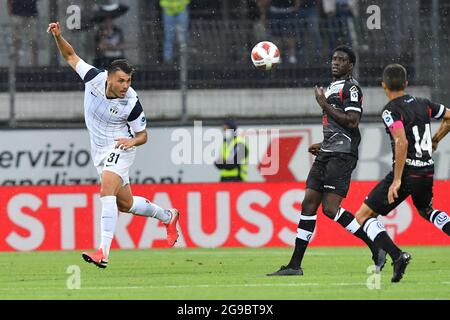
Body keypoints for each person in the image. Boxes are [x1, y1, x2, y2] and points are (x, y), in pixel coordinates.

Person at [47, 22, 180, 269]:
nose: (125, 86)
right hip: (99, 150)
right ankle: (168, 216)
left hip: (121, 147)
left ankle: (103, 252)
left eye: (128, 81)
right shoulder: (93, 78)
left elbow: (143, 135)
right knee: (125, 204)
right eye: (121, 81)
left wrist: (131, 141)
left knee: (105, 190)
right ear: (108, 77)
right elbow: (70, 55)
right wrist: (58, 35)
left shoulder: (131, 102)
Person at [268, 45, 386, 277]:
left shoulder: (351, 88)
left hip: (342, 155)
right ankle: (294, 265)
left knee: (330, 210)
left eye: (342, 60)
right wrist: (323, 145)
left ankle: (376, 247)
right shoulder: (333, 86)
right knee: (308, 204)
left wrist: (324, 104)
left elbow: (352, 122)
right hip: (328, 153)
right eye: (334, 58)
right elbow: (337, 127)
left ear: (350, 65)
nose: (335, 62)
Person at [350, 64, 450, 282]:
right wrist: (435, 140)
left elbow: (401, 141)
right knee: (426, 211)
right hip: (427, 169)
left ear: (383, 85)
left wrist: (396, 180)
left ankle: (397, 255)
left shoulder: (390, 110)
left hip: (407, 173)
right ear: (406, 83)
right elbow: (449, 116)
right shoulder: (424, 104)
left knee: (362, 216)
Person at [257, 0, 301, 64]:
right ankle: (278, 56)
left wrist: (296, 7)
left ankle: (292, 56)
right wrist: (263, 12)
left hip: (289, 10)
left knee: (290, 36)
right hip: (275, 11)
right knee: (276, 36)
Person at [8, 0, 39, 66]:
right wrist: (9, 9)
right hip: (18, 13)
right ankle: (16, 64)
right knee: (16, 40)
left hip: (30, 13)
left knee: (33, 40)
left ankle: (34, 64)